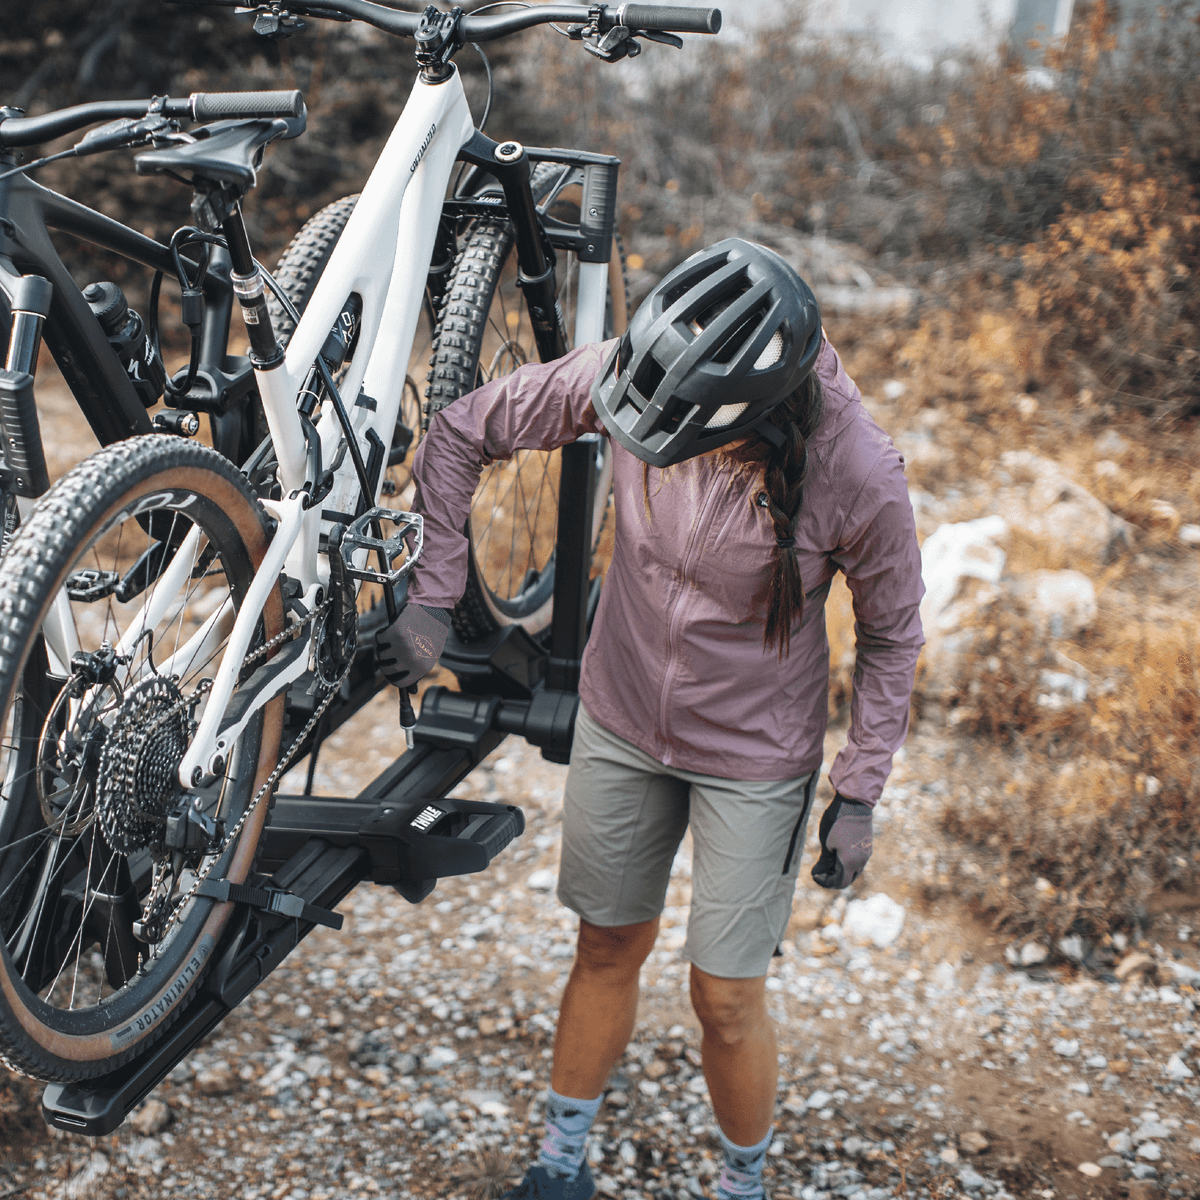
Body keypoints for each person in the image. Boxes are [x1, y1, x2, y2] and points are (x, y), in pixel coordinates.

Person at [375, 238, 925, 1200]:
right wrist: (434, 592)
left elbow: (891, 637)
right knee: (605, 944)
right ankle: (560, 1165)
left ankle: (743, 1186)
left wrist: (858, 792)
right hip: (623, 717)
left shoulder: (859, 471)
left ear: (756, 414)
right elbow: (462, 431)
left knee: (725, 993)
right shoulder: (646, 369)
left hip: (754, 757)